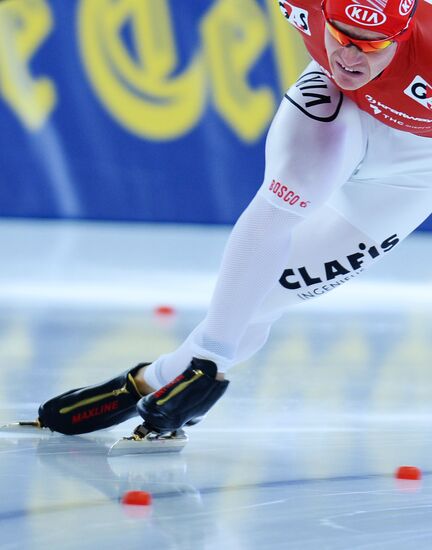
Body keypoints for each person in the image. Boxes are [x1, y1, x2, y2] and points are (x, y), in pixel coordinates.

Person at [34, 0, 432, 442]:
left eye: (371, 44)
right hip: (343, 105)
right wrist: (211, 356)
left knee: (269, 294)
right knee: (291, 189)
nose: (351, 57)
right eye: (340, 35)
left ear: (405, 32)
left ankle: (151, 380)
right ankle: (205, 362)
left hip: (416, 170)